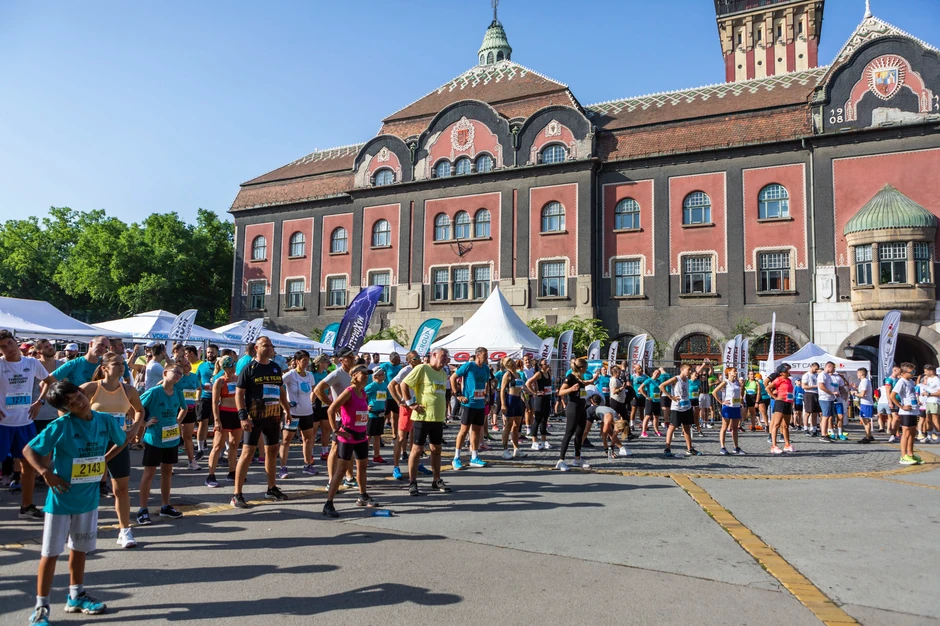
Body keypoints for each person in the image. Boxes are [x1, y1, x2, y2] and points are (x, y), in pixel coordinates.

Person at [23, 381, 127, 625]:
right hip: (61, 499)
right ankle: (41, 607)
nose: (78, 403)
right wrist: (45, 473)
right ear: (65, 409)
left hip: (88, 498)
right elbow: (28, 450)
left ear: (82, 392)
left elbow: (122, 440)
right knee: (50, 553)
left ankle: (76, 596)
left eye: (77, 397)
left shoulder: (105, 420)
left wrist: (104, 459)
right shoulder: (61, 425)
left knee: (80, 549)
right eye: (70, 404)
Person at [0, 329, 56, 520]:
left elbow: (49, 381)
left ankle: (27, 507)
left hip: (25, 423)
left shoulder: (32, 363)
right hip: (3, 424)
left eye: (10, 343)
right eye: (3, 347)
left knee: (29, 465)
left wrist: (40, 401)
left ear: (16, 342)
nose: (8, 348)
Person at [232, 336, 291, 508]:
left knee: (272, 451)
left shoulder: (275, 367)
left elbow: (280, 390)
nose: (269, 348)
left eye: (271, 345)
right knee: (248, 452)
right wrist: (242, 416)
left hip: (273, 416)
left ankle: (271, 488)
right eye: (266, 345)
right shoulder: (249, 368)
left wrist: (287, 410)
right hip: (254, 416)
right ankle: (237, 494)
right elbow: (239, 394)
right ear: (256, 348)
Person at [322, 365, 379, 517]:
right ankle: (328, 503)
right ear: (354, 375)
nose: (366, 376)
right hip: (347, 437)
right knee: (341, 470)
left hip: (361, 436)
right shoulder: (349, 392)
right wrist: (336, 430)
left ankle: (362, 496)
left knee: (362, 467)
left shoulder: (363, 392)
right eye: (363, 374)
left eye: (367, 374)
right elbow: (331, 410)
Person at [136, 363, 186, 525]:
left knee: (167, 471)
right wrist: (144, 423)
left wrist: (178, 421)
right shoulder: (154, 392)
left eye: (181, 374)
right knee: (149, 473)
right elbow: (135, 406)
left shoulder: (178, 393)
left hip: (171, 438)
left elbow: (184, 408)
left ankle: (166, 506)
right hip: (154, 438)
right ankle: (143, 509)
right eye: (175, 372)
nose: (178, 375)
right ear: (165, 373)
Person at [400, 347, 453, 496]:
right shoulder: (422, 368)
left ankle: (437, 480)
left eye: (446, 357)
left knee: (436, 449)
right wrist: (410, 403)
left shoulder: (443, 373)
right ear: (434, 355)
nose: (445, 359)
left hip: (437, 418)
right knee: (417, 450)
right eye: (443, 356)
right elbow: (404, 384)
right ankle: (412, 482)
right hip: (422, 417)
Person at [315, 347, 356, 483]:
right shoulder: (337, 373)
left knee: (350, 447)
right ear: (342, 360)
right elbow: (318, 389)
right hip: (340, 418)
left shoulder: (353, 373)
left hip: (352, 417)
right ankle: (331, 480)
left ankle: (349, 477)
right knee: (335, 447)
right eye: (349, 357)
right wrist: (332, 405)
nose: (353, 359)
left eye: (353, 356)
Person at [387, 351, 428, 480]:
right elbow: (391, 385)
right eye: (416, 358)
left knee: (415, 438)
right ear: (410, 361)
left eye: (419, 357)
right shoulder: (406, 370)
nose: (419, 359)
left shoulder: (422, 369)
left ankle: (416, 463)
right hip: (407, 407)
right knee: (401, 438)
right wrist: (399, 401)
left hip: (418, 406)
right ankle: (396, 467)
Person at [450, 347, 493, 469]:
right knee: (464, 430)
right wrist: (458, 395)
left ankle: (474, 457)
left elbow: (487, 383)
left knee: (476, 430)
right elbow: (453, 378)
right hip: (469, 403)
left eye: (487, 355)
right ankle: (456, 458)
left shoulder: (485, 368)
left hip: (480, 403)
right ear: (478, 355)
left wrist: (487, 395)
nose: (487, 357)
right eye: (485, 355)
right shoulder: (469, 365)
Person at [279, 350, 318, 478]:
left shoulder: (310, 375)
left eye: (308, 360)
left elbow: (314, 390)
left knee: (308, 439)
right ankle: (283, 467)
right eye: (304, 360)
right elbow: (278, 385)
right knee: (286, 440)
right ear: (297, 361)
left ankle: (307, 465)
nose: (306, 363)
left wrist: (312, 400)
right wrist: (285, 404)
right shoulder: (291, 375)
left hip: (307, 412)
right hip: (293, 413)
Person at [205, 356, 242, 487]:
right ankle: (210, 475)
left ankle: (232, 472)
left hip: (237, 414)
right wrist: (216, 420)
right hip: (224, 414)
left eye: (234, 365)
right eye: (230, 366)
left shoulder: (238, 379)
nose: (233, 368)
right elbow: (214, 402)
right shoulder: (220, 381)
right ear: (224, 367)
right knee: (217, 446)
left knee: (234, 444)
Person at [556, 358, 592, 471]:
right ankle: (561, 460)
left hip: (581, 406)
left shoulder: (580, 377)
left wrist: (593, 380)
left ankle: (577, 458)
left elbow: (583, 386)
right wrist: (571, 389)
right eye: (586, 368)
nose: (586, 369)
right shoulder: (570, 377)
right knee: (569, 433)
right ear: (581, 368)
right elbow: (560, 392)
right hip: (573, 407)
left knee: (580, 433)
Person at [659, 364, 701, 457]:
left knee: (687, 427)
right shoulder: (676, 379)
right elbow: (662, 386)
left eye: (691, 370)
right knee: (672, 427)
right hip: (677, 407)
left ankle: (690, 448)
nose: (690, 371)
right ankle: (667, 448)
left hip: (686, 406)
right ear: (682, 369)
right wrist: (670, 396)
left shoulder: (687, 380)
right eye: (688, 369)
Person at [889, 363, 924, 465]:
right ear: (904, 373)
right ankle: (904, 456)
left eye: (914, 371)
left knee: (912, 433)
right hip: (906, 411)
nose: (913, 373)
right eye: (911, 372)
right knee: (906, 433)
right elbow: (892, 396)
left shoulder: (911, 382)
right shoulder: (901, 382)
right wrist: (901, 406)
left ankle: (910, 454)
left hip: (914, 410)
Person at [499, 357, 527, 459]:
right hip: (510, 400)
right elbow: (502, 390)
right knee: (508, 425)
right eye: (508, 361)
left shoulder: (518, 374)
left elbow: (522, 388)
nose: (512, 362)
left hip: (518, 400)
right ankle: (505, 450)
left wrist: (527, 398)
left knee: (516, 426)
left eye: (511, 360)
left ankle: (516, 449)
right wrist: (503, 404)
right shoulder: (507, 374)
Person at [193, 344, 218, 460]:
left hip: (219, 398)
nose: (209, 354)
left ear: (217, 353)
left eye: (212, 352)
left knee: (219, 424)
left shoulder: (221, 366)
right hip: (205, 397)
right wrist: (200, 387)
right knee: (202, 423)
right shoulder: (202, 366)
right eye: (208, 352)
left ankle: (220, 451)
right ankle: (200, 449)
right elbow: (195, 379)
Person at [712, 367, 745, 455]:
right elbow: (714, 392)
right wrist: (721, 402)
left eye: (736, 371)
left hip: (736, 406)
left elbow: (741, 393)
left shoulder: (737, 382)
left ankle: (736, 447)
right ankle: (722, 447)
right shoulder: (725, 382)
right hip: (728, 407)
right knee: (725, 427)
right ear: (729, 373)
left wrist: (742, 389)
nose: (736, 372)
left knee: (735, 428)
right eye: (734, 371)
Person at [176, 357, 201, 471]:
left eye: (189, 363)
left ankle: (192, 461)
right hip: (177, 409)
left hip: (190, 409)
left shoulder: (193, 376)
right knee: (173, 437)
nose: (189, 366)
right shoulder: (177, 378)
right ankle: (168, 464)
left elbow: (199, 388)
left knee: (188, 437)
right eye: (186, 365)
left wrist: (197, 399)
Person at [525, 358, 553, 450]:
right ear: (541, 366)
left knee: (544, 420)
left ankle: (544, 441)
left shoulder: (548, 373)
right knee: (537, 420)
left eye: (547, 363)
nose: (547, 364)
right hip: (540, 399)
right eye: (545, 363)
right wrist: (534, 392)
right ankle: (534, 442)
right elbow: (528, 383)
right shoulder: (539, 374)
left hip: (547, 398)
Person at [768, 365, 796, 454]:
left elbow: (790, 392)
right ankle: (774, 446)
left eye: (787, 371)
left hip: (788, 402)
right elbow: (767, 388)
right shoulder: (778, 379)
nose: (788, 372)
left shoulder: (789, 380)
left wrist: (792, 401)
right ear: (781, 373)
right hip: (780, 402)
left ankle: (787, 445)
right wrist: (774, 397)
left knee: (786, 425)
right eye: (785, 371)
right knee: (776, 424)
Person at [364, 366, 389, 464]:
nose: (383, 376)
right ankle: (364, 458)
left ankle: (377, 456)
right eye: (381, 374)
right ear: (375, 376)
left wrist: (385, 407)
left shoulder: (384, 385)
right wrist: (366, 406)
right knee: (368, 436)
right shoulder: (372, 386)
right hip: (372, 415)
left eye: (383, 374)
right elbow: (361, 394)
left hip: (380, 414)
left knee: (378, 436)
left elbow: (385, 398)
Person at [637, 367, 665, 437]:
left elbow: (662, 389)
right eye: (655, 372)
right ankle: (643, 431)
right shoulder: (648, 380)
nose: (656, 374)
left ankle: (656, 431)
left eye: (658, 373)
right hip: (650, 400)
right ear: (653, 373)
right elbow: (640, 388)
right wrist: (646, 396)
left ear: (659, 375)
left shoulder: (659, 381)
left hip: (657, 401)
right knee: (648, 416)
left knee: (656, 416)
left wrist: (660, 395)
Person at [816, 362, 840, 444]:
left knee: (829, 416)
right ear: (828, 366)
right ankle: (823, 434)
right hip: (824, 398)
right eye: (833, 367)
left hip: (830, 398)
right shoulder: (822, 374)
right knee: (825, 416)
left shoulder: (828, 376)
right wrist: (832, 392)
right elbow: (821, 386)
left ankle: (826, 433)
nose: (834, 369)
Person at [853, 367, 875, 444]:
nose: (857, 375)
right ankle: (869, 435)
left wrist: (854, 394)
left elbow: (862, 394)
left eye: (858, 373)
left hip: (866, 403)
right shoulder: (864, 381)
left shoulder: (864, 381)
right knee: (863, 419)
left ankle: (867, 437)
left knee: (865, 420)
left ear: (862, 373)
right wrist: (856, 388)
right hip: (865, 403)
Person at [801, 363, 821, 437]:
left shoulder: (817, 375)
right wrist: (814, 386)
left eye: (817, 369)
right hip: (809, 394)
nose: (816, 370)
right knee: (807, 412)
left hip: (816, 394)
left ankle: (814, 429)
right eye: (815, 369)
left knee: (815, 413)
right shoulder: (806, 375)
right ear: (812, 367)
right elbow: (803, 386)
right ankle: (806, 429)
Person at [921, 364, 940, 443]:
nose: (925, 373)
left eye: (926, 371)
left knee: (935, 419)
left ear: (931, 371)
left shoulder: (937, 380)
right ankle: (929, 436)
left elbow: (939, 392)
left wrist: (929, 394)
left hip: (934, 401)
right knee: (928, 419)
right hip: (928, 401)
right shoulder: (928, 379)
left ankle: (938, 435)